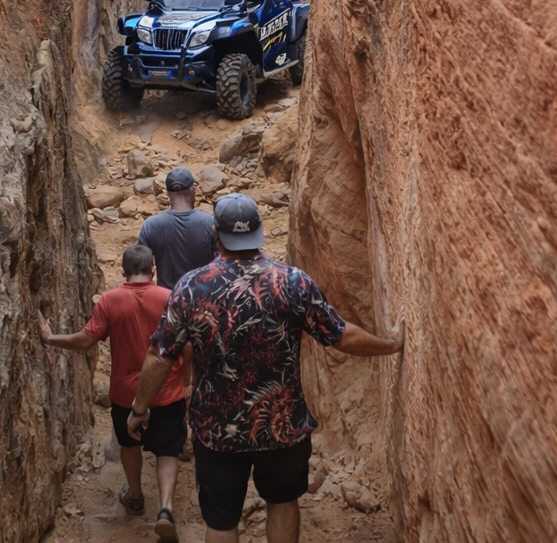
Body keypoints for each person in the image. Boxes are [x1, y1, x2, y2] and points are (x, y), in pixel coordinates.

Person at [126, 195, 404, 543]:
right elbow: (341, 337)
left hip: (217, 432)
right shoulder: (292, 283)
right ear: (258, 233)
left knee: (222, 521)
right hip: (281, 426)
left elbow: (159, 356)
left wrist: (139, 410)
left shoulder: (191, 288)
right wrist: (391, 344)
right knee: (283, 502)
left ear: (217, 236)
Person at [40, 245, 187, 539]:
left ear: (122, 271)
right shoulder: (170, 298)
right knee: (168, 450)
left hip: (125, 394)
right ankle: (166, 507)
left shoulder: (110, 300)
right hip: (167, 389)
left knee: (129, 445)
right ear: (152, 270)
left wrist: (49, 337)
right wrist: (185, 379)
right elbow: (189, 345)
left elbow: (85, 341)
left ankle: (134, 496)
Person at [137, 167, 217, 289]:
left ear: (168, 193)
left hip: (167, 299)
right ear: (192, 189)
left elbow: (142, 272)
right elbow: (221, 265)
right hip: (201, 299)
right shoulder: (210, 223)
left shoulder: (151, 225)